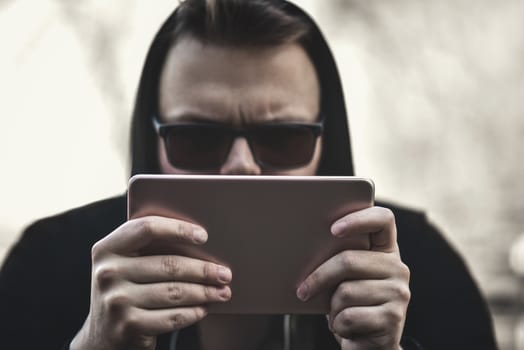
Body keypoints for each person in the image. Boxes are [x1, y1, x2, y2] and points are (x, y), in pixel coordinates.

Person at [0, 1, 497, 349]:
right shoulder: (49, 267)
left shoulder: (421, 271)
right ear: (149, 140)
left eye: (284, 138)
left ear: (329, 142)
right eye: (197, 137)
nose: (242, 166)